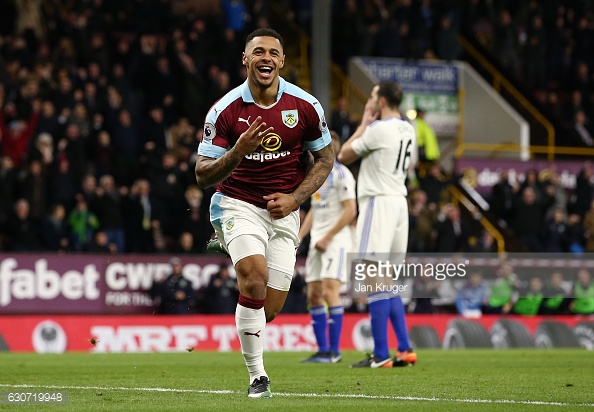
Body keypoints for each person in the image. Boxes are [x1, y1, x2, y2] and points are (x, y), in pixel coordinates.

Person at [194, 28, 333, 398]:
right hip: (236, 203)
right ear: (246, 59)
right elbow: (202, 173)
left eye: (273, 52)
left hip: (284, 211)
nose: (266, 58)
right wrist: (238, 151)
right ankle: (258, 377)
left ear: (282, 61)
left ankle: (237, 250)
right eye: (258, 52)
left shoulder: (305, 106)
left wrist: (295, 197)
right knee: (254, 278)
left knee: (267, 309)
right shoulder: (225, 111)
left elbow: (325, 159)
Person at [338, 81, 417, 368]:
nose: (369, 102)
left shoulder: (377, 129)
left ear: (381, 102)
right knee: (388, 281)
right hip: (399, 202)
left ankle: (381, 354)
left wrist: (363, 124)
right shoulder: (409, 129)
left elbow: (343, 155)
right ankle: (405, 348)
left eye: (372, 97)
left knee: (374, 278)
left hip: (378, 202)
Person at [298, 131, 357, 364]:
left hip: (337, 240)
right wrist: (301, 236)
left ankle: (334, 351)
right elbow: (315, 208)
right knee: (313, 294)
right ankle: (322, 350)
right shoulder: (318, 176)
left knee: (329, 291)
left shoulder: (343, 174)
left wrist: (329, 236)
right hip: (317, 240)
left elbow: (351, 210)